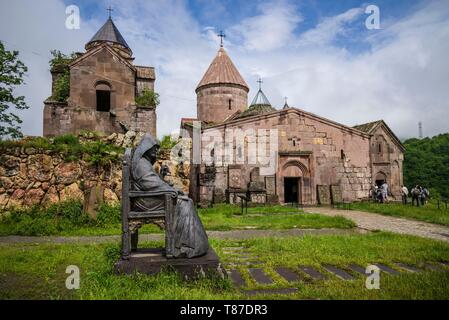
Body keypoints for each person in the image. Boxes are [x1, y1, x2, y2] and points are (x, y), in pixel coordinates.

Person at [131, 134, 209, 258]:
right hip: (145, 201)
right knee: (185, 203)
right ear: (146, 148)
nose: (156, 150)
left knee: (186, 201)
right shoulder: (141, 164)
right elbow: (150, 184)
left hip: (148, 198)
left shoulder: (144, 163)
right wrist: (173, 190)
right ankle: (183, 246)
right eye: (154, 147)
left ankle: (189, 244)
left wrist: (163, 179)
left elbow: (153, 182)